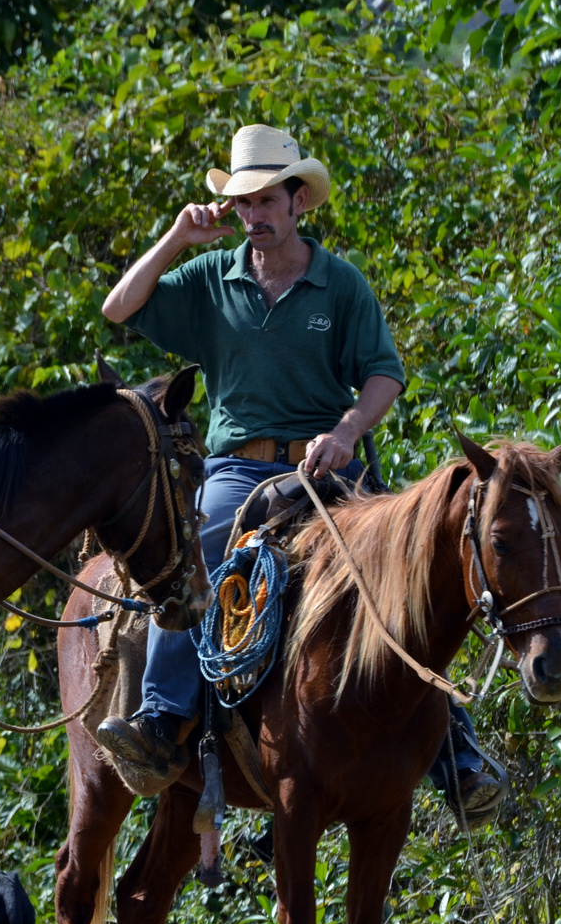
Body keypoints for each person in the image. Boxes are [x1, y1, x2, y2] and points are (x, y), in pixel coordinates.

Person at [92, 124, 504, 827]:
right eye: (242, 202)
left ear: (296, 201)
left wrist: (345, 432)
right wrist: (174, 240)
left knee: (408, 572)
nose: (254, 214)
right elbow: (117, 307)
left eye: (265, 200)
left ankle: (456, 755)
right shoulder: (207, 279)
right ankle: (161, 721)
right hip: (233, 472)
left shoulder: (337, 283)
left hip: (328, 471)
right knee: (191, 562)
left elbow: (384, 374)